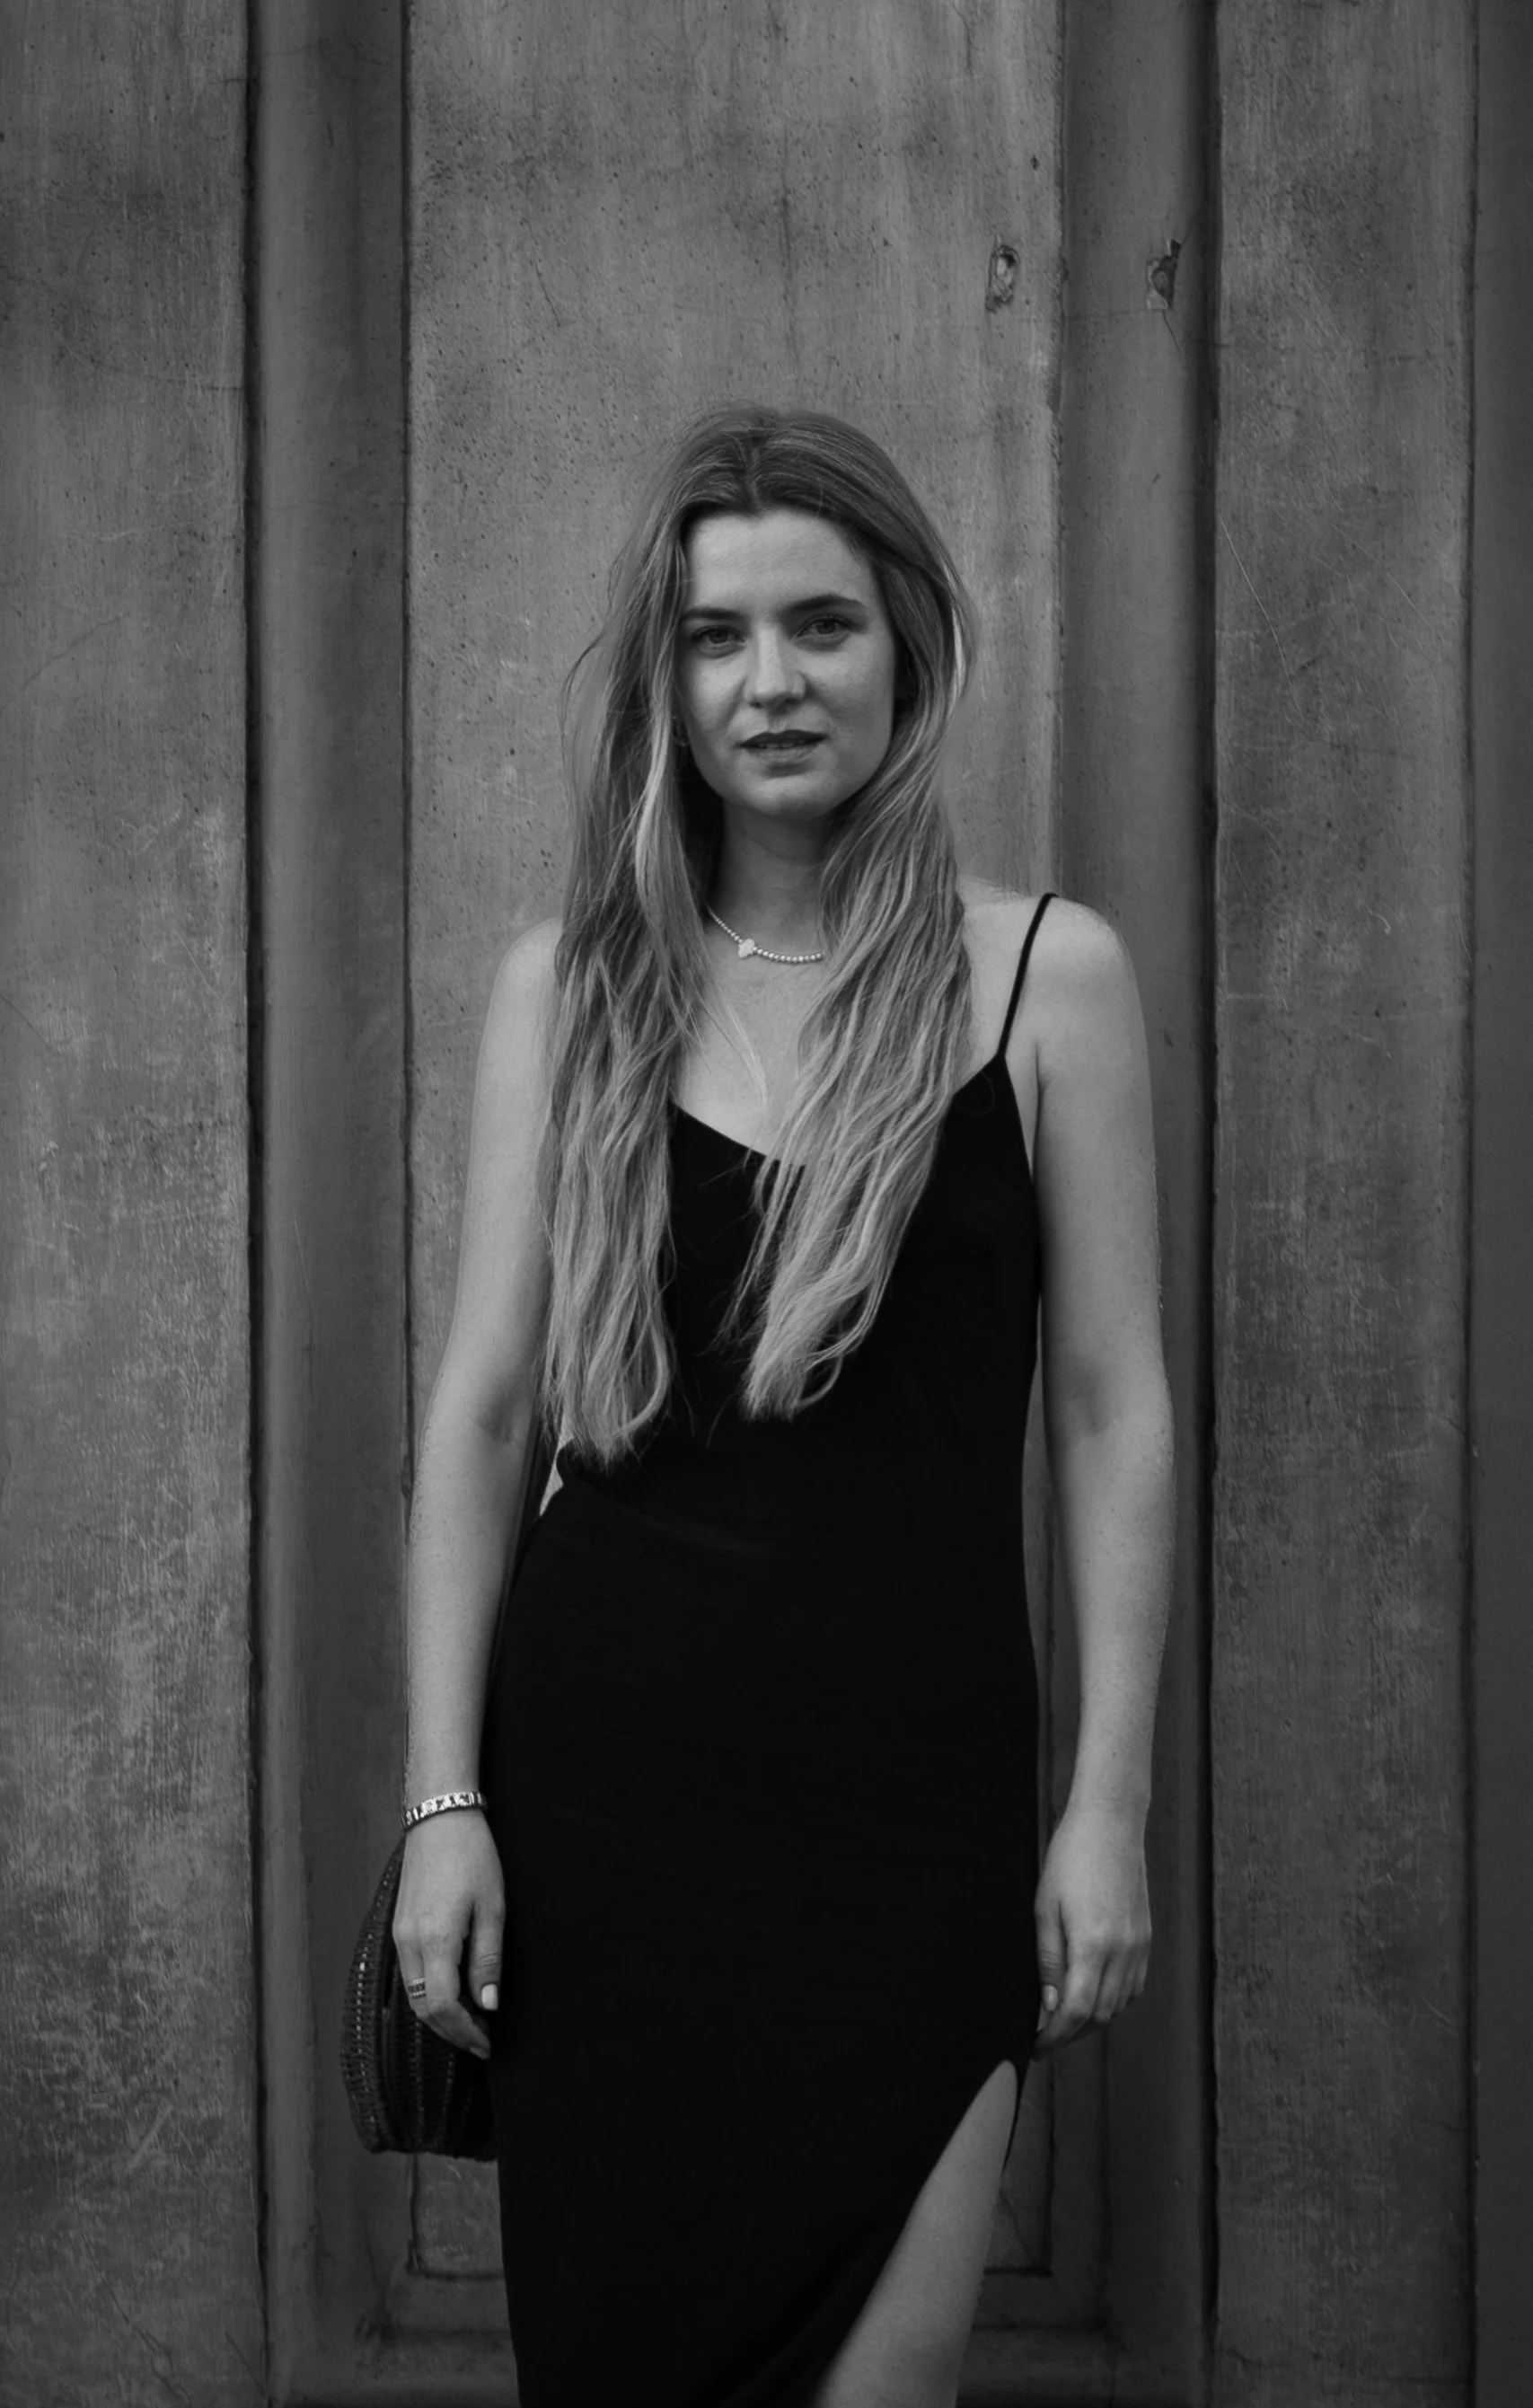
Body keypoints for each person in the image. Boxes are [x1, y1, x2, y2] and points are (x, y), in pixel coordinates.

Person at [393, 405, 1174, 2407]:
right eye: (716, 633)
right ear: (663, 670)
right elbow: (484, 1417)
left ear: (905, 642)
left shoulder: (1040, 983)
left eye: (819, 624)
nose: (769, 681)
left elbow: (1107, 1412)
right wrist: (440, 1808)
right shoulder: (566, 988)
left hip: (906, 1826)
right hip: (602, 1812)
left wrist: (1100, 1806)